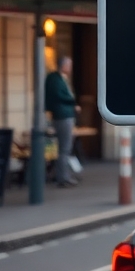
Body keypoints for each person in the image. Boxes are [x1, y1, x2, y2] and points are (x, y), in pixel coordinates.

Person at [44, 56, 80, 187]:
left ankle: (63, 175)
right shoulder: (55, 79)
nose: (70, 68)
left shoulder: (61, 78)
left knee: (65, 147)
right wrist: (72, 102)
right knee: (64, 148)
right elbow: (59, 96)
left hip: (64, 114)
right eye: (69, 65)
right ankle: (62, 177)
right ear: (63, 66)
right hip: (62, 116)